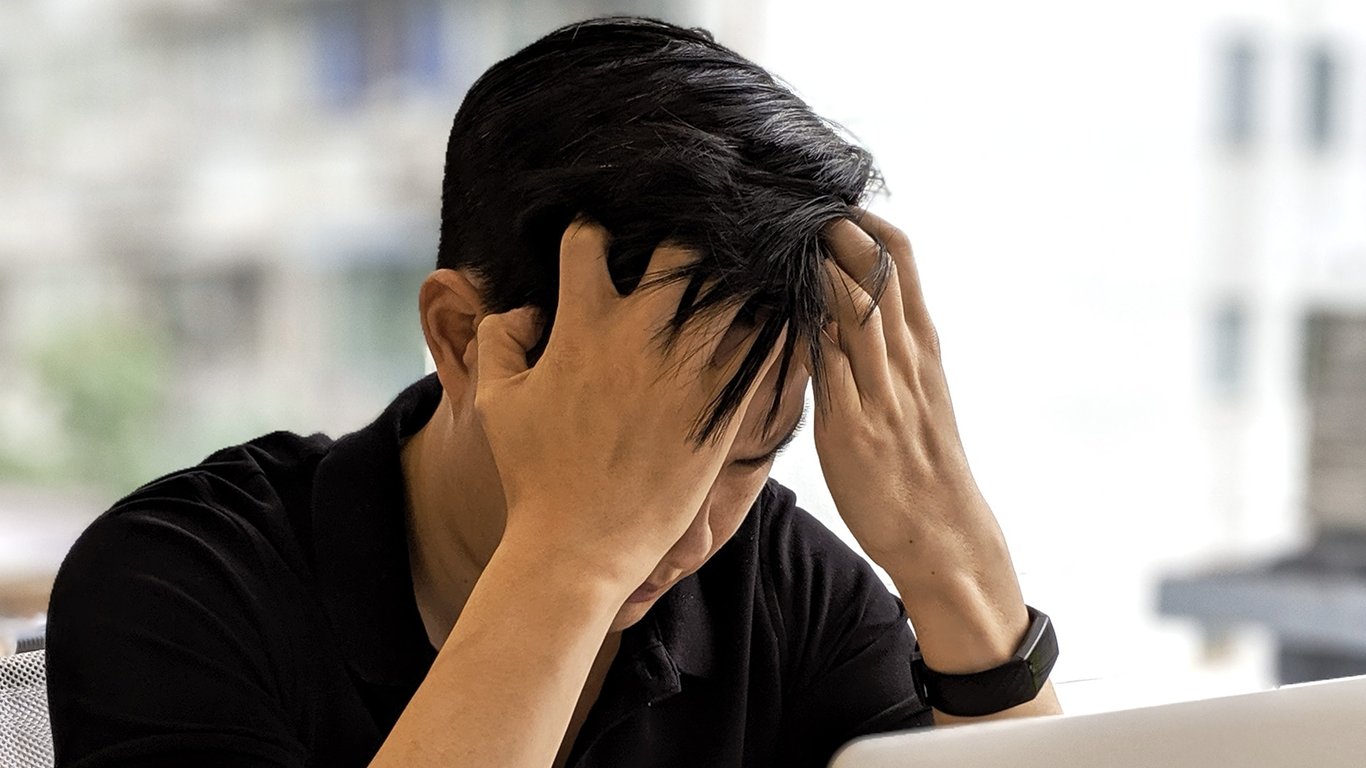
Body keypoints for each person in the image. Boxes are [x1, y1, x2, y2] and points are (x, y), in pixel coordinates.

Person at [44, 16, 1061, 768]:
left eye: (749, 453)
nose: (694, 530)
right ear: (457, 337)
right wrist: (571, 555)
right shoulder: (178, 583)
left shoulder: (779, 587)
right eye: (653, 443)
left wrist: (951, 560)